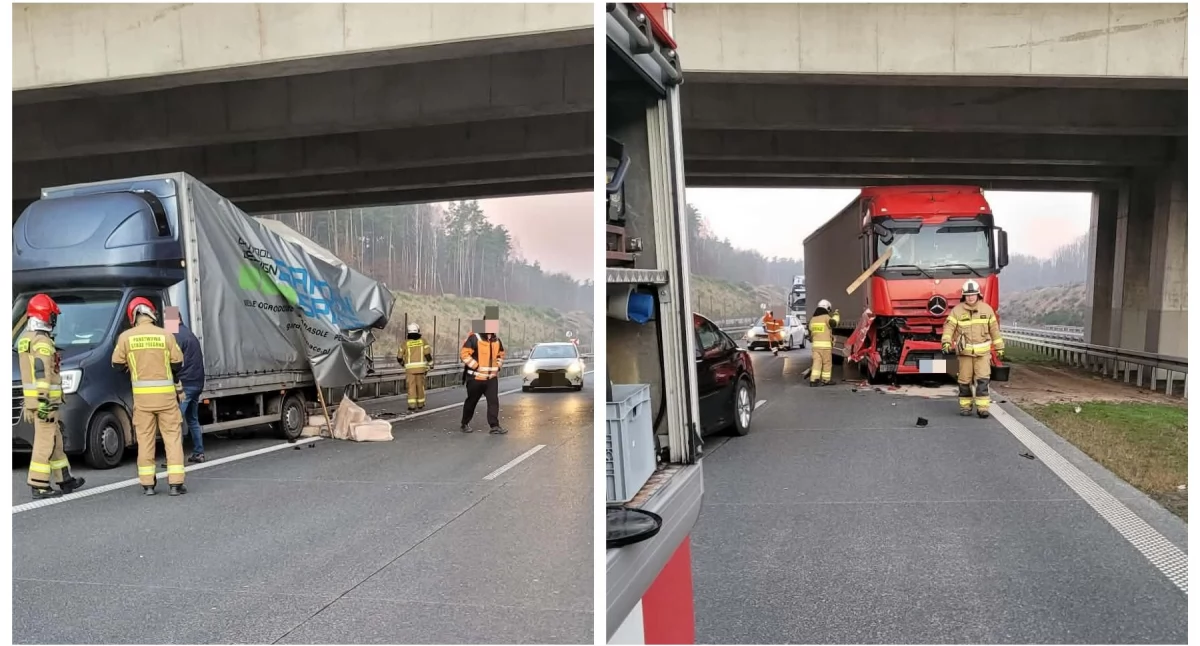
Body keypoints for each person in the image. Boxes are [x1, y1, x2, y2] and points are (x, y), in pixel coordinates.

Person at [112, 298, 188, 496]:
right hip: (166, 399)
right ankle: (175, 484)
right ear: (152, 313)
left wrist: (133, 366)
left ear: (133, 316)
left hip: (142, 401)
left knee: (145, 440)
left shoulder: (126, 337)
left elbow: (116, 364)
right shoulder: (166, 335)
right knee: (172, 438)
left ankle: (147, 485)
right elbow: (178, 363)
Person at [17, 294, 85, 499]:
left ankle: (65, 479)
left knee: (54, 440)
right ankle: (39, 485)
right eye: (52, 316)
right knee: (44, 442)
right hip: (45, 402)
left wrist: (31, 403)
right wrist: (44, 401)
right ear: (46, 317)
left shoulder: (25, 339)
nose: (54, 320)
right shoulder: (42, 342)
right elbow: (41, 373)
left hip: (36, 402)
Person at [941, 279, 1005, 418]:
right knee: (964, 381)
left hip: (982, 354)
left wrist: (999, 347)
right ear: (964, 296)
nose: (970, 297)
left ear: (978, 295)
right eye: (968, 295)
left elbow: (994, 330)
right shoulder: (957, 311)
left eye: (973, 294)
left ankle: (983, 408)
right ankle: (965, 407)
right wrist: (946, 342)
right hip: (964, 354)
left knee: (982, 381)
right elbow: (949, 328)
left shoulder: (987, 310)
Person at [166, 307, 206, 463]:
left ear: (175, 320)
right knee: (193, 420)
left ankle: (174, 458)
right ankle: (199, 452)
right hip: (197, 383)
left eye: (167, 320)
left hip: (185, 385)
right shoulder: (189, 333)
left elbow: (173, 362)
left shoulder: (175, 336)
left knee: (174, 421)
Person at [460, 308, 507, 434]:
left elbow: (501, 355)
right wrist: (476, 366)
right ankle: (464, 423)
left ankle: (494, 426)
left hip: (491, 379)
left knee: (493, 402)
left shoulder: (497, 341)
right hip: (475, 379)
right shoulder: (475, 338)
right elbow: (464, 354)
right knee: (471, 402)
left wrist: (497, 367)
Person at [399, 322, 434, 412]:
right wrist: (431, 364)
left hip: (410, 370)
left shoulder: (405, 343)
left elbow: (399, 357)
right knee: (420, 386)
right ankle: (421, 404)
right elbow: (427, 354)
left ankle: (412, 405)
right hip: (421, 369)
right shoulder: (423, 341)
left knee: (411, 387)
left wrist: (403, 364)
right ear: (418, 331)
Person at [807, 299, 840, 386]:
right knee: (827, 363)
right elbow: (834, 324)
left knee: (816, 363)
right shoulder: (826, 318)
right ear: (827, 308)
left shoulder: (813, 319)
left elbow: (810, 330)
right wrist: (836, 315)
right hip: (825, 347)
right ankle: (826, 380)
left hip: (816, 347)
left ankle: (813, 380)